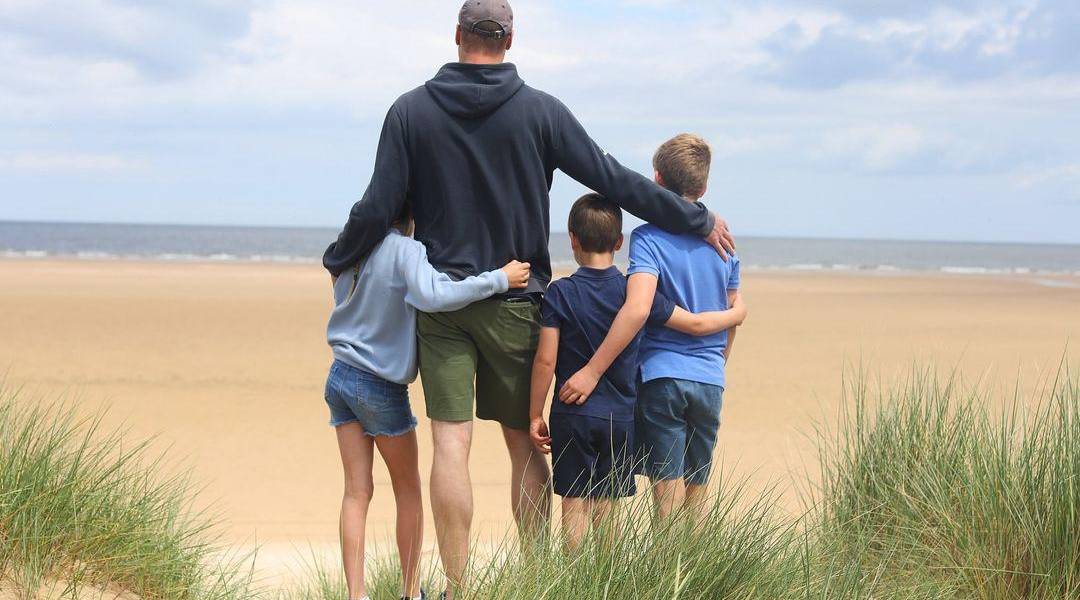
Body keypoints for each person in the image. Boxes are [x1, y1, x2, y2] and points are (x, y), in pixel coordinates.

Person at [321, 1, 735, 595]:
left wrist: (340, 257)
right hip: (520, 301)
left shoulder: (410, 111)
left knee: (450, 442)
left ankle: (457, 588)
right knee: (523, 442)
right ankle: (539, 579)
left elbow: (379, 206)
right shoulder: (540, 112)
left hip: (444, 307)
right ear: (510, 40)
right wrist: (692, 218)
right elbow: (612, 177)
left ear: (457, 35)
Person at [324, 200, 530, 600]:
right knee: (407, 489)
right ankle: (410, 591)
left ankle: (356, 595)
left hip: (339, 376)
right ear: (413, 214)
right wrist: (498, 280)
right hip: (380, 384)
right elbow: (435, 294)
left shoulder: (352, 247)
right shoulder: (406, 250)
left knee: (356, 491)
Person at [528, 194, 746, 550]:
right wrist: (735, 315)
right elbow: (691, 322)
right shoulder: (635, 293)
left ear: (572, 239)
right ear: (619, 242)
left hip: (572, 413)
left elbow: (546, 361)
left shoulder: (560, 292)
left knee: (574, 504)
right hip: (621, 416)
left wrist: (535, 412)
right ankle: (606, 579)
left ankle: (573, 583)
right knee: (608, 506)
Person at [558, 134, 741, 520]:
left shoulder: (648, 239)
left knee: (666, 495)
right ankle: (695, 575)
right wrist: (717, 363)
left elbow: (638, 308)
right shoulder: (724, 244)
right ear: (704, 186)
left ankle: (665, 576)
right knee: (697, 492)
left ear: (655, 181)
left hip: (662, 377)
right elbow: (731, 315)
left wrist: (592, 371)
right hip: (710, 378)